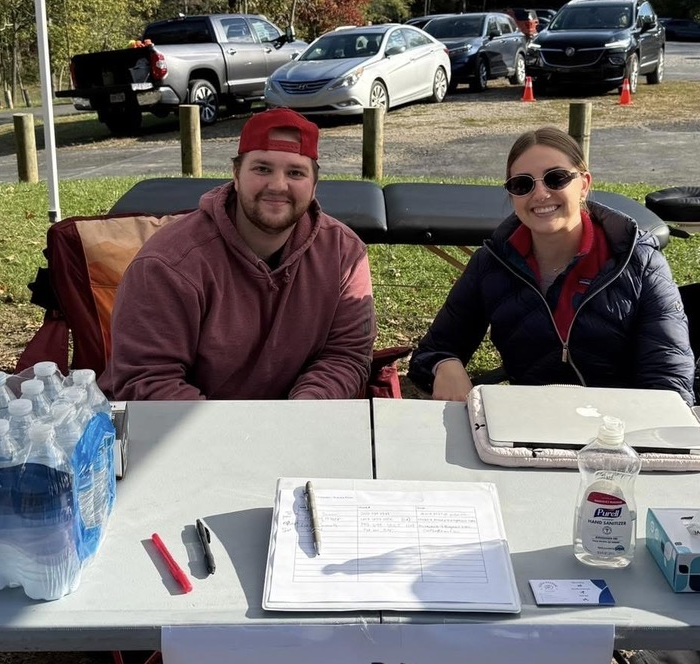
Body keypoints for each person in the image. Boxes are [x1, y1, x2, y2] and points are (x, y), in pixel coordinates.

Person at [408, 126, 695, 406]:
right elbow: (431, 353)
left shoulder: (640, 262)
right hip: (531, 428)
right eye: (522, 184)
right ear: (512, 196)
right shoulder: (491, 263)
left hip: (620, 432)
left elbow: (669, 384)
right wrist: (444, 365)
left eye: (556, 178)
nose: (540, 193)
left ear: (584, 184)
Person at [100, 108, 376, 400]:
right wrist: (234, 438)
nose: (278, 186)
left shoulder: (345, 254)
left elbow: (346, 355)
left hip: (293, 426)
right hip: (185, 431)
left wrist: (305, 411)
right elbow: (148, 380)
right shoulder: (168, 264)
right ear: (235, 174)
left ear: (314, 185)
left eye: (295, 172)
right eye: (262, 169)